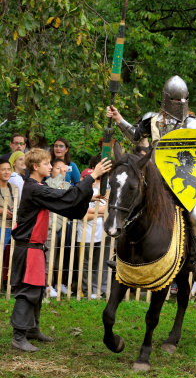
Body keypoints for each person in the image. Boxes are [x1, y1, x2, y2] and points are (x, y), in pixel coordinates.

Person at [106, 75, 196, 282]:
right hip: (154, 176)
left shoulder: (195, 124)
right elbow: (136, 136)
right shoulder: (152, 119)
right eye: (175, 99)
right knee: (130, 205)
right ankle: (119, 255)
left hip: (183, 176)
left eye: (183, 99)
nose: (179, 104)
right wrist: (119, 119)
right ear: (165, 99)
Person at [10, 148, 111, 352]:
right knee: (28, 291)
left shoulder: (38, 187)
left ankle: (32, 330)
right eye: (47, 164)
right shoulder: (34, 188)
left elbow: (62, 197)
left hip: (35, 248)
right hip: (28, 249)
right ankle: (18, 336)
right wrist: (92, 176)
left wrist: (88, 198)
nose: (51, 166)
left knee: (37, 290)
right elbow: (65, 196)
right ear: (36, 167)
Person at [77, 167, 109, 299]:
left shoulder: (99, 193)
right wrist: (100, 212)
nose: (93, 181)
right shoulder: (81, 194)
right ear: (82, 179)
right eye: (88, 178)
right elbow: (82, 215)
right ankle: (87, 290)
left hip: (102, 234)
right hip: (85, 235)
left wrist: (93, 211)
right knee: (85, 264)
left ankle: (99, 290)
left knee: (101, 263)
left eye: (95, 178)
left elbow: (107, 208)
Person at [45, 159, 71, 297]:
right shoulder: (47, 183)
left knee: (61, 257)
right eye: (58, 169)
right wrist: (61, 174)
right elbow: (53, 192)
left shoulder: (67, 185)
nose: (62, 172)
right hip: (50, 226)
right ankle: (47, 284)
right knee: (49, 256)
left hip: (64, 225)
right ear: (51, 170)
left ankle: (58, 283)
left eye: (64, 169)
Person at [0, 159, 19, 251]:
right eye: (3, 169)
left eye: (8, 169)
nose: (6, 172)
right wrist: (1, 210)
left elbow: (19, 206)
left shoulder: (15, 187)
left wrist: (16, 209)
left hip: (13, 228)